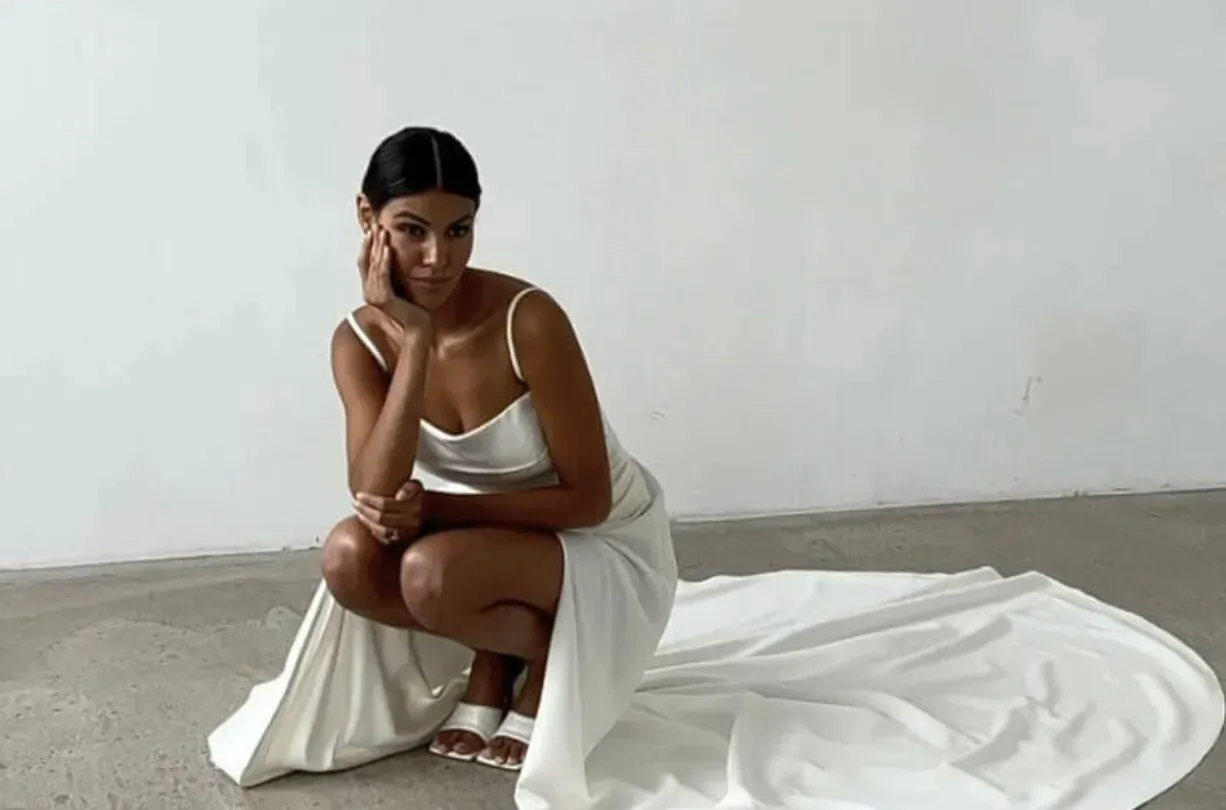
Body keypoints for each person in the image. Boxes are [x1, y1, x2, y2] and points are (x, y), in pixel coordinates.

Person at [317, 125, 678, 772]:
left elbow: (590, 501)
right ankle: (500, 651)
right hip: (487, 538)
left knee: (431, 574)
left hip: (599, 544)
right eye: (411, 229)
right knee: (348, 557)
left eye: (458, 230)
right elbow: (374, 491)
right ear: (367, 220)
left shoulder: (528, 319)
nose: (437, 258)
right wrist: (417, 342)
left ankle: (536, 663)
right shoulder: (357, 342)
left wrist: (437, 513)